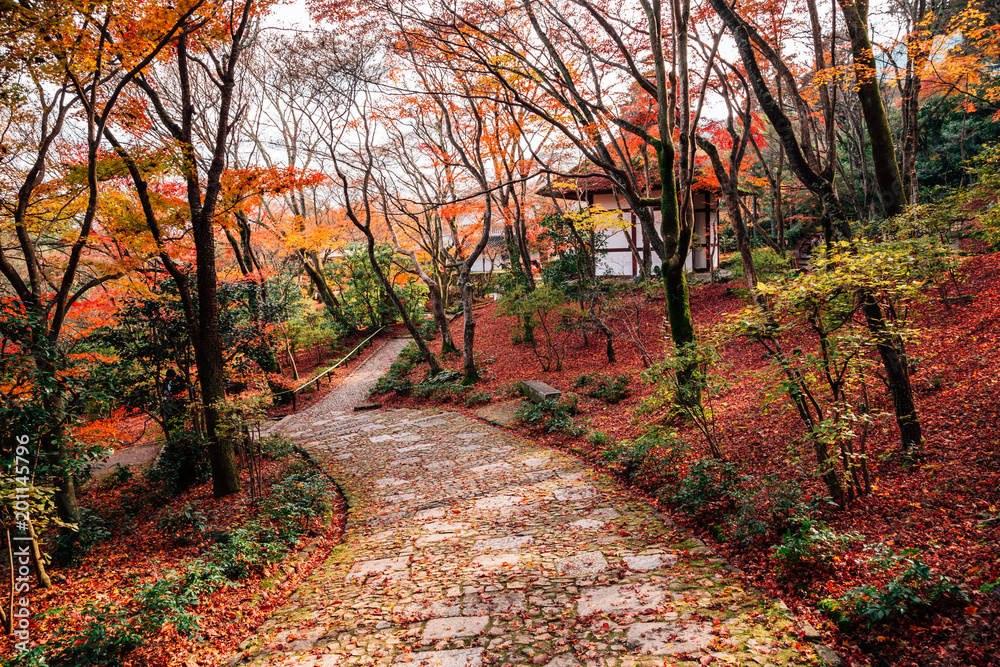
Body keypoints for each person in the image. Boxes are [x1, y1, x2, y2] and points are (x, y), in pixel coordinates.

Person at [162, 369, 188, 433]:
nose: (170, 379)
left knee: (179, 416)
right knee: (168, 416)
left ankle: (181, 431)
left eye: (171, 377)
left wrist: (174, 395)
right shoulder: (166, 381)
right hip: (168, 401)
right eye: (169, 377)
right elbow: (163, 388)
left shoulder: (179, 380)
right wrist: (165, 392)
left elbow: (183, 390)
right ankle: (171, 431)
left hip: (178, 401)